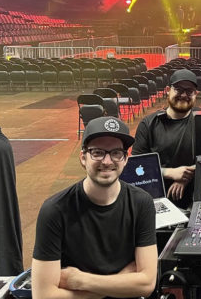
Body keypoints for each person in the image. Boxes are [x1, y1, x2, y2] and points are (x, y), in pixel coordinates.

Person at [32, 117, 157, 299]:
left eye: (116, 153)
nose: (107, 161)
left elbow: (146, 283)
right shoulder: (55, 210)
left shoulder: (142, 203)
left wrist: (80, 280)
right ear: (83, 158)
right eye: (97, 152)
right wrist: (121, 283)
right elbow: (44, 295)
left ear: (125, 159)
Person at [132, 69, 201, 209]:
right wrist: (171, 173)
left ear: (196, 94)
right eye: (179, 89)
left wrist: (185, 177)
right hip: (158, 200)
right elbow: (136, 167)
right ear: (168, 90)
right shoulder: (149, 124)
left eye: (189, 91)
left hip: (196, 200)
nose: (183, 95)